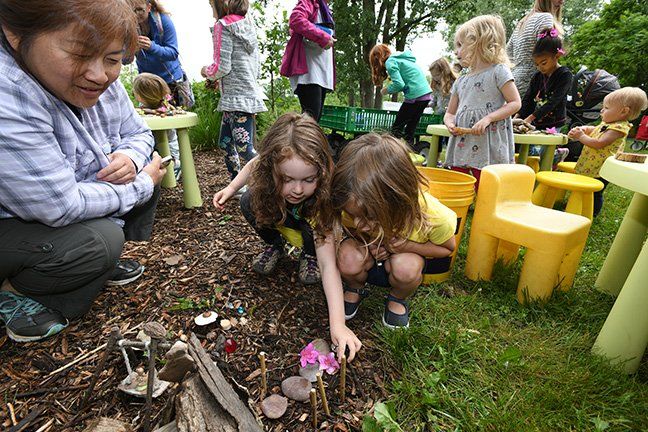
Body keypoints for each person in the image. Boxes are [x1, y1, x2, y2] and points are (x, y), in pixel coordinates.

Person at [0, 0, 167, 342]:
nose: (99, 75)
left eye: (113, 59)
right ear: (16, 34)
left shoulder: (100, 81)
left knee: (144, 174)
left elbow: (139, 133)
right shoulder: (8, 91)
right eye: (79, 53)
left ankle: (91, 267)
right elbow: (60, 206)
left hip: (68, 196)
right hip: (17, 219)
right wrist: (141, 183)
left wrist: (131, 158)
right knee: (99, 241)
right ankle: (16, 292)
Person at [213, 113, 362, 361]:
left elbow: (329, 266)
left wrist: (337, 325)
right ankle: (275, 245)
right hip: (283, 217)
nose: (297, 189)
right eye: (287, 179)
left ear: (321, 172)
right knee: (249, 201)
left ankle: (307, 254)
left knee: (311, 227)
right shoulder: (266, 170)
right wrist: (231, 189)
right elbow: (253, 165)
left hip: (310, 227)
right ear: (272, 168)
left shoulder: (321, 200)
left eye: (308, 179)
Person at [331, 133, 457, 329]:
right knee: (346, 256)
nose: (359, 223)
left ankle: (397, 298)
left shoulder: (435, 217)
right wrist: (369, 240)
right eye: (353, 215)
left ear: (399, 200)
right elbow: (353, 227)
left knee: (406, 267)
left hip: (400, 265)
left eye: (369, 217)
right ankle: (355, 288)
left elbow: (446, 248)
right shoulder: (353, 203)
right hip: (369, 260)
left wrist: (407, 246)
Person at [444, 15, 521, 188]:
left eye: (459, 45)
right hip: (463, 142)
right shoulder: (460, 81)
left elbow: (515, 103)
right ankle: (459, 209)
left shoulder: (499, 71)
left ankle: (486, 210)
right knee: (457, 182)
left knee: (487, 184)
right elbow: (450, 112)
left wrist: (488, 118)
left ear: (477, 42)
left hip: (488, 141)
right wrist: (449, 122)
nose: (456, 51)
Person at [201, 0, 266, 186]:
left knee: (245, 149)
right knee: (226, 143)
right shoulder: (248, 26)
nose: (211, 9)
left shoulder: (222, 26)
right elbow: (254, 66)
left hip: (238, 100)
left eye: (211, 4)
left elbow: (221, 66)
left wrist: (206, 71)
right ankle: (238, 183)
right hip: (240, 97)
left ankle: (269, 181)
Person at [568, 87, 648, 216]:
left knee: (595, 191)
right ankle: (580, 206)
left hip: (601, 168)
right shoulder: (609, 124)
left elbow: (599, 144)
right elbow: (596, 129)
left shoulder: (618, 128)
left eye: (606, 108)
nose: (602, 110)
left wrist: (581, 137)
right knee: (586, 188)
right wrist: (584, 129)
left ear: (623, 111)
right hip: (593, 165)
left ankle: (591, 213)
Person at [517, 27, 572, 164]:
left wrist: (531, 117)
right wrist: (518, 116)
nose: (540, 67)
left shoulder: (564, 75)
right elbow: (528, 98)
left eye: (544, 63)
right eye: (537, 64)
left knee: (544, 151)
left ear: (557, 56)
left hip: (554, 121)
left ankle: (556, 155)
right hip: (537, 120)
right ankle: (551, 158)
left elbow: (555, 101)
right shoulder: (537, 76)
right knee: (529, 148)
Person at [128, 0, 192, 108]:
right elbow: (124, 60)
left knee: (174, 120)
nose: (136, 14)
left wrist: (152, 47)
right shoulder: (129, 26)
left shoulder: (163, 21)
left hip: (170, 82)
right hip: (148, 85)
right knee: (150, 120)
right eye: (132, 10)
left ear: (149, 7)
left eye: (140, 10)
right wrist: (132, 50)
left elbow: (173, 53)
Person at [280, 0, 335, 122]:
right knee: (310, 120)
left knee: (314, 120)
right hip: (309, 72)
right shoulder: (309, 2)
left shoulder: (324, 8)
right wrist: (323, 37)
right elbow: (296, 19)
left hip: (321, 72)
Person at [369, 44, 432, 149]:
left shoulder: (390, 62)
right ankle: (410, 151)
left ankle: (390, 150)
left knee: (397, 128)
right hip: (425, 94)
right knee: (410, 127)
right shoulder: (401, 59)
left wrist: (386, 90)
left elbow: (399, 84)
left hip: (415, 94)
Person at [507, 0, 564, 97]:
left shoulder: (522, 22)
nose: (562, 1)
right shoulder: (545, 17)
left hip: (515, 83)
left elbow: (507, 52)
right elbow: (546, 53)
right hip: (535, 85)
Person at [133, 72, 181, 179]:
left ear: (142, 96)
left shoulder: (162, 110)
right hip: (157, 149)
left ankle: (175, 167)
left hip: (167, 153)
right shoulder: (146, 107)